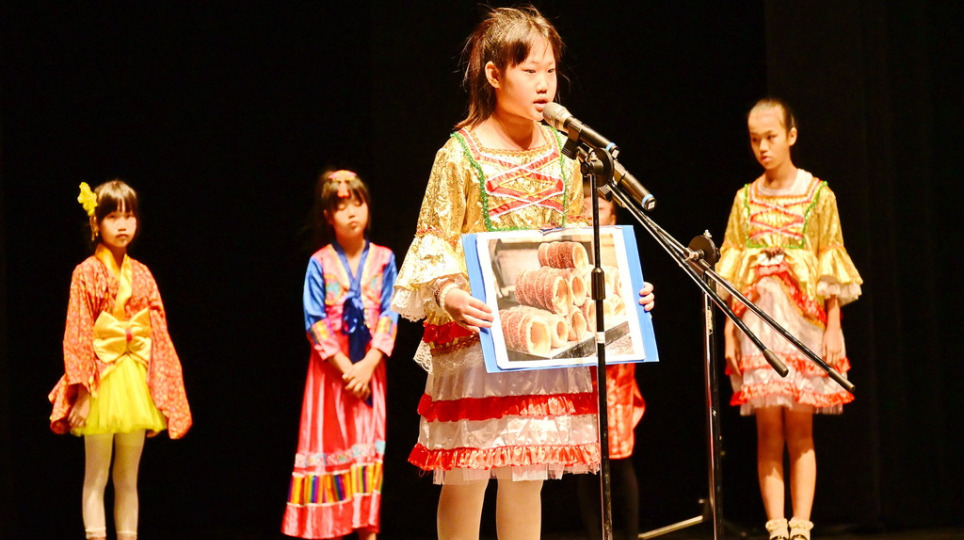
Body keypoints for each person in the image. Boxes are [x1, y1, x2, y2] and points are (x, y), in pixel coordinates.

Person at [391, 7, 651, 539]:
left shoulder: (564, 155)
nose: (543, 83)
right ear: (494, 74)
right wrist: (448, 292)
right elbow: (433, 239)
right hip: (478, 337)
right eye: (529, 70)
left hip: (539, 342)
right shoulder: (460, 154)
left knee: (526, 476)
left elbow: (577, 243)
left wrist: (620, 287)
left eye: (550, 70)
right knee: (467, 475)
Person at [716, 98, 862, 540]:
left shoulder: (818, 195)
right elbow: (732, 271)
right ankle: (776, 526)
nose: (763, 147)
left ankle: (801, 524)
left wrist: (834, 327)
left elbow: (830, 262)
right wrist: (730, 330)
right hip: (758, 324)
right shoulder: (745, 199)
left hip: (804, 324)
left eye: (771, 137)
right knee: (767, 430)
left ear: (791, 136)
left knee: (800, 428)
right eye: (755, 139)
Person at [48, 180, 192, 540]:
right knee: (96, 476)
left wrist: (163, 388)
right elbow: (78, 332)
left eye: (129, 216)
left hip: (134, 379)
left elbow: (158, 334)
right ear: (96, 223)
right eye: (113, 217)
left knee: (128, 478)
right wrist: (83, 391)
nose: (123, 224)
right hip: (100, 381)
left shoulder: (142, 273)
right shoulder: (86, 272)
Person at [282, 170, 399, 540]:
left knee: (367, 451)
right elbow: (314, 320)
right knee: (329, 447)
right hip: (331, 377)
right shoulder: (320, 263)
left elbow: (391, 313)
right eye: (341, 206)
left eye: (358, 203)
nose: (351, 212)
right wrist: (348, 369)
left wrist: (368, 364)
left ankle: (367, 531)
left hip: (369, 372)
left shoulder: (384, 259)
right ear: (327, 216)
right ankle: (326, 528)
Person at [576, 188, 653, 540]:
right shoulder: (568, 249)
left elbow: (636, 299)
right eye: (583, 206)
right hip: (579, 363)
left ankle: (631, 534)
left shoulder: (621, 250)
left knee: (618, 453)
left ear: (613, 214)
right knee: (585, 459)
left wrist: (644, 297)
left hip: (615, 367)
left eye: (599, 206)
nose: (590, 212)